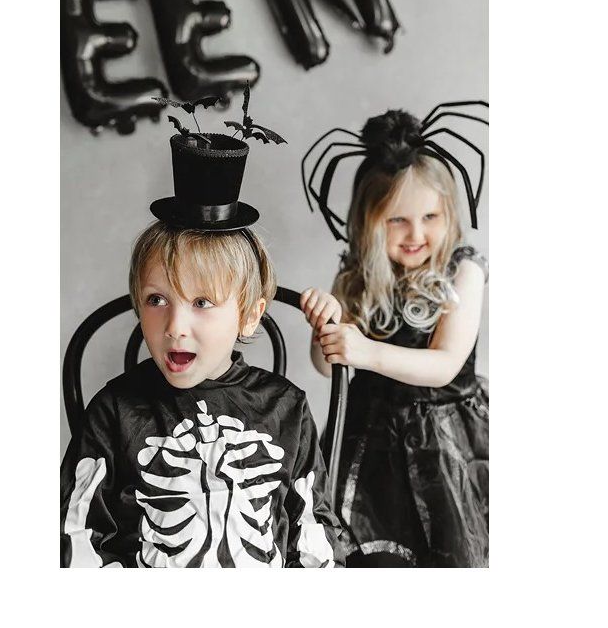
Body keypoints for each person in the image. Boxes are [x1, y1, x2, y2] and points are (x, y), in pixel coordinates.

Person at [61, 99, 346, 568]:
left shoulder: (286, 408)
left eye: (202, 303)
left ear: (249, 316)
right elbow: (76, 533)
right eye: (157, 300)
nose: (175, 327)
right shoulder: (115, 411)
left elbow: (313, 529)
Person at [299, 106, 489, 567]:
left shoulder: (463, 271)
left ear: (450, 214)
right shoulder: (357, 275)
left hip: (444, 442)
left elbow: (444, 365)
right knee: (372, 554)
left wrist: (366, 351)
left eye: (430, 216)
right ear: (368, 221)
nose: (415, 233)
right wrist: (325, 326)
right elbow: (325, 366)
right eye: (397, 220)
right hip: (370, 442)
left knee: (447, 552)